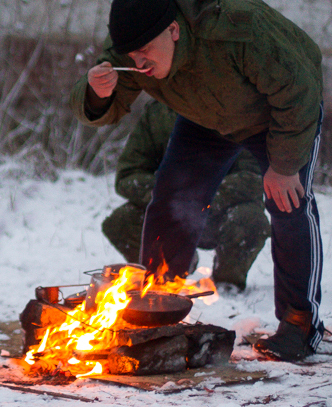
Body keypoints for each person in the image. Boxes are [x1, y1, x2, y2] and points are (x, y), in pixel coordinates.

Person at [70, 0, 324, 361]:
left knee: (288, 202)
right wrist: (97, 92)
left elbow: (300, 91)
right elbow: (105, 107)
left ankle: (299, 324)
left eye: (146, 54)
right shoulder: (134, 42)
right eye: (131, 57)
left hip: (277, 111)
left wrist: (285, 164)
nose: (139, 64)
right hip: (204, 117)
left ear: (173, 30)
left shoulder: (240, 27)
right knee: (172, 197)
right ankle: (158, 305)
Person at [101, 99, 270, 292]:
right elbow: (128, 176)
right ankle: (166, 273)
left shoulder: (234, 106)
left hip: (222, 212)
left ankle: (227, 282)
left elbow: (254, 177)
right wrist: (172, 199)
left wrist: (198, 199)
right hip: (169, 214)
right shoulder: (158, 113)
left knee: (252, 219)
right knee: (121, 220)